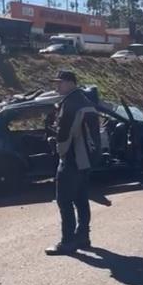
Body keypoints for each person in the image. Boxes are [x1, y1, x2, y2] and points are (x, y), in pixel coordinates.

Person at [45, 70, 100, 256]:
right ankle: (83, 237)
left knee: (64, 201)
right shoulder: (86, 101)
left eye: (60, 83)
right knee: (82, 200)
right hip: (86, 160)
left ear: (70, 83)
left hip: (72, 159)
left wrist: (59, 152)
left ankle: (67, 241)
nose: (57, 86)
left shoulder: (71, 104)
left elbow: (64, 134)